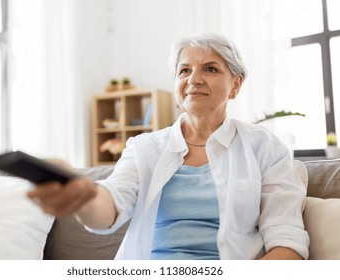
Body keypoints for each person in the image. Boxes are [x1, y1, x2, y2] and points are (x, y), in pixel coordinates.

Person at [28, 32, 309, 260]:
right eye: (184, 70)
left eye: (210, 69)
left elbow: (287, 241)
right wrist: (84, 194)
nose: (193, 79)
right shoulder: (144, 147)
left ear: (235, 85)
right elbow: (111, 205)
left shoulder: (264, 147)